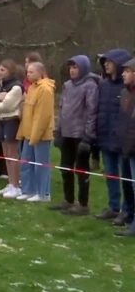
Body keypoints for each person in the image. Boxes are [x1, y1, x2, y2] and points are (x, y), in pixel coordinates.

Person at [51, 55, 99, 215]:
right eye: (71, 67)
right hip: (66, 133)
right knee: (65, 168)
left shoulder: (90, 86)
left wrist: (88, 137)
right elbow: (63, 109)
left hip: (81, 134)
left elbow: (92, 112)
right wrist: (58, 130)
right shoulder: (67, 86)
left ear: (83, 68)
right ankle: (68, 200)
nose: (72, 70)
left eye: (76, 67)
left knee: (81, 170)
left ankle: (83, 204)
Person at [95, 49, 135, 227]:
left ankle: (127, 210)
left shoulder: (126, 88)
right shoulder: (103, 85)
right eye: (104, 61)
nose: (106, 64)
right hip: (105, 136)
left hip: (123, 140)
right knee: (110, 174)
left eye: (109, 61)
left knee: (126, 178)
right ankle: (113, 206)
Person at [16, 61, 56, 203]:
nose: (28, 74)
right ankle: (28, 190)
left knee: (41, 164)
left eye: (31, 72)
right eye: (27, 72)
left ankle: (43, 193)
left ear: (40, 73)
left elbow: (42, 116)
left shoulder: (45, 89)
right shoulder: (32, 88)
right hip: (28, 132)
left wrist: (36, 135)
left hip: (41, 135)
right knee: (26, 163)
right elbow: (27, 113)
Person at [0, 59, 24, 198]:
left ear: (10, 71)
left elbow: (8, 105)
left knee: (12, 153)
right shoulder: (0, 85)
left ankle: (16, 184)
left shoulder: (16, 86)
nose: (0, 72)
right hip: (1, 120)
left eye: (3, 70)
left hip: (11, 120)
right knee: (5, 153)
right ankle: (10, 182)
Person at [115, 58, 135, 237]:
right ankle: (129, 215)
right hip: (125, 147)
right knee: (127, 185)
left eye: (127, 71)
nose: (123, 74)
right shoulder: (124, 93)